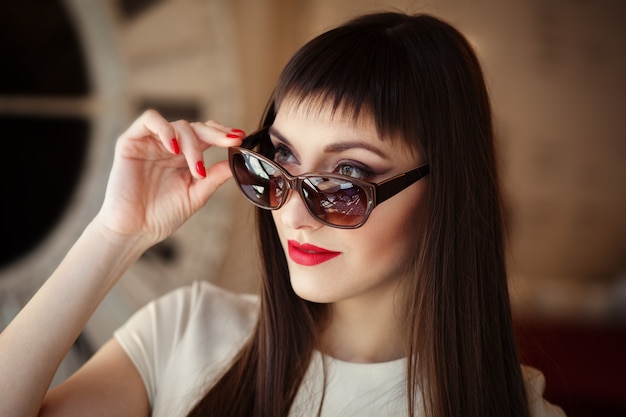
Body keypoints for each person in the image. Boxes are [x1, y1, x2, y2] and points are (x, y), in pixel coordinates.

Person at [0, 11, 565, 417]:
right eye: (281, 159)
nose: (294, 211)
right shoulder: (186, 332)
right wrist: (116, 234)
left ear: (448, 192)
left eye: (347, 179)